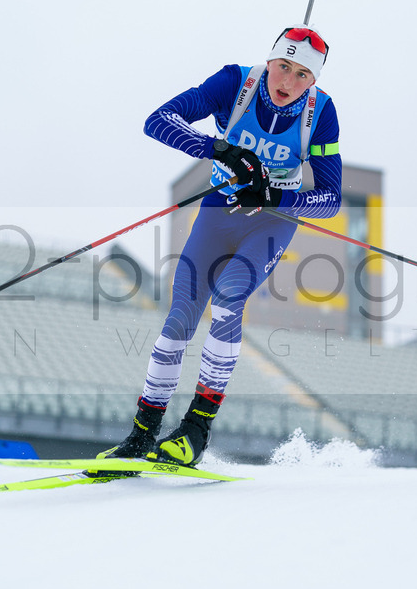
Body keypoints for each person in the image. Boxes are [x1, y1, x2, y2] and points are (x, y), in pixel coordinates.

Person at [99, 24, 342, 466]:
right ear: (269, 60)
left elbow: (331, 198)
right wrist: (219, 150)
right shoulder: (234, 83)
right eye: (283, 66)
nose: (288, 81)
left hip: (270, 221)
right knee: (179, 318)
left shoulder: (320, 113)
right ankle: (141, 434)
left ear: (313, 80)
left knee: (229, 298)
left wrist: (278, 198)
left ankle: (195, 430)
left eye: (302, 74)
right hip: (217, 212)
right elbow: (158, 121)